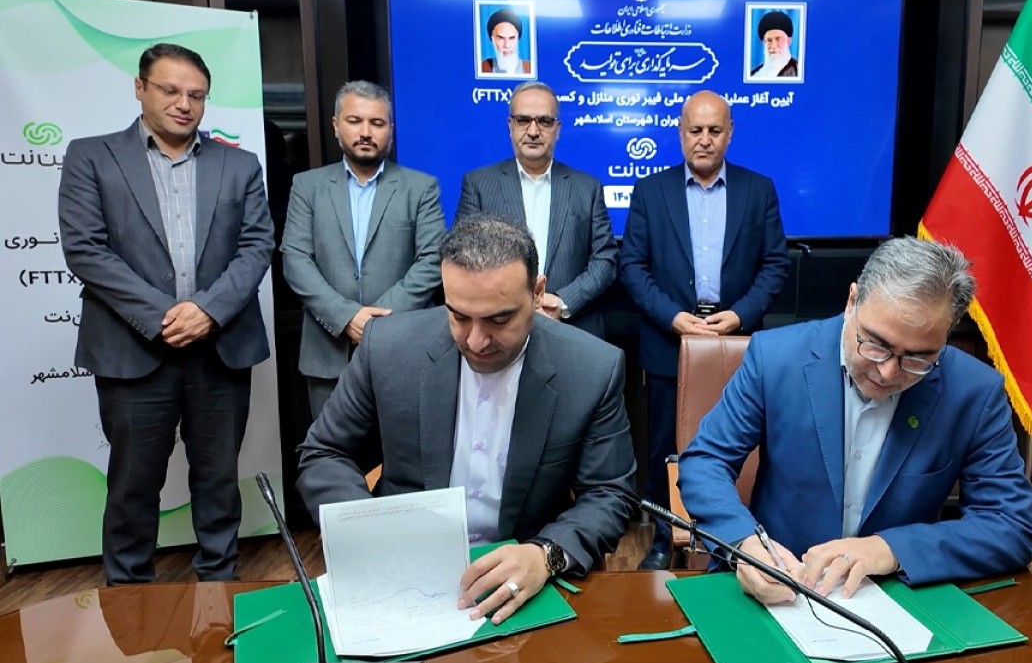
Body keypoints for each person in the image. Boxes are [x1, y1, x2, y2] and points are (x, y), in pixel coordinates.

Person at [297, 214, 636, 625]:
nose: (476, 341)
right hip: (401, 578)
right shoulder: (387, 348)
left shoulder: (591, 368)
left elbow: (609, 493)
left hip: (525, 580)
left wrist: (545, 554)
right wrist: (368, 534)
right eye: (458, 316)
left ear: (537, 293)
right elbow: (325, 452)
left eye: (499, 319)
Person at [679, 237, 1032, 604]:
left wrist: (891, 549)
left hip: (896, 595)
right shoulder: (775, 358)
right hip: (779, 586)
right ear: (852, 301)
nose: (887, 372)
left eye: (917, 359)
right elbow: (706, 461)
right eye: (876, 345)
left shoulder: (974, 392)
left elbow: (1010, 526)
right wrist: (744, 544)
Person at [58, 43, 274, 584]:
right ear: (140, 88)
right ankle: (129, 597)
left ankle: (219, 589)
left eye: (196, 95)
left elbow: (256, 247)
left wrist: (207, 311)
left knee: (219, 482)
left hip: (219, 349)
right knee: (133, 486)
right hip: (132, 351)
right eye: (170, 90)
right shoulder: (91, 157)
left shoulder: (239, 164)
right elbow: (85, 250)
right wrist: (165, 316)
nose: (184, 104)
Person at [618, 90, 789, 570]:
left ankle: (741, 540)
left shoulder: (758, 189)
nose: (705, 140)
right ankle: (663, 538)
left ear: (730, 134)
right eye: (696, 130)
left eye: (715, 130)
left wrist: (739, 316)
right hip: (670, 341)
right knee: (665, 449)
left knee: (742, 445)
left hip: (738, 343)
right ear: (680, 133)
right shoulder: (651, 191)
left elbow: (775, 265)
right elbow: (632, 267)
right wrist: (674, 318)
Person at [281, 80, 445, 417]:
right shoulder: (307, 186)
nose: (366, 132)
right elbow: (295, 260)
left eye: (377, 123)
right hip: (328, 353)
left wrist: (376, 322)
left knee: (403, 448)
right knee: (330, 447)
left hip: (403, 349)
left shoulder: (421, 187)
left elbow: (432, 260)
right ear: (336, 125)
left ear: (391, 130)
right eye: (355, 121)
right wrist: (346, 317)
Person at [457, 81, 616, 336]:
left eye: (544, 121)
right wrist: (513, 303)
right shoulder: (478, 185)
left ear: (557, 129)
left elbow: (605, 260)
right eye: (523, 120)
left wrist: (562, 301)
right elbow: (463, 258)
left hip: (573, 329)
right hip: (498, 327)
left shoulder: (588, 188)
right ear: (510, 126)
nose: (533, 131)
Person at [480, 8, 532, 75]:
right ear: (492, 39)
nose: (507, 45)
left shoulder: (531, 68)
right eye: (501, 38)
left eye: (512, 38)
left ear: (518, 38)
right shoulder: (481, 68)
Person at [749, 11, 800, 78]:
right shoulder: (753, 74)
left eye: (778, 39)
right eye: (769, 40)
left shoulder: (799, 71)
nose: (773, 46)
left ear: (789, 41)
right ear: (764, 42)